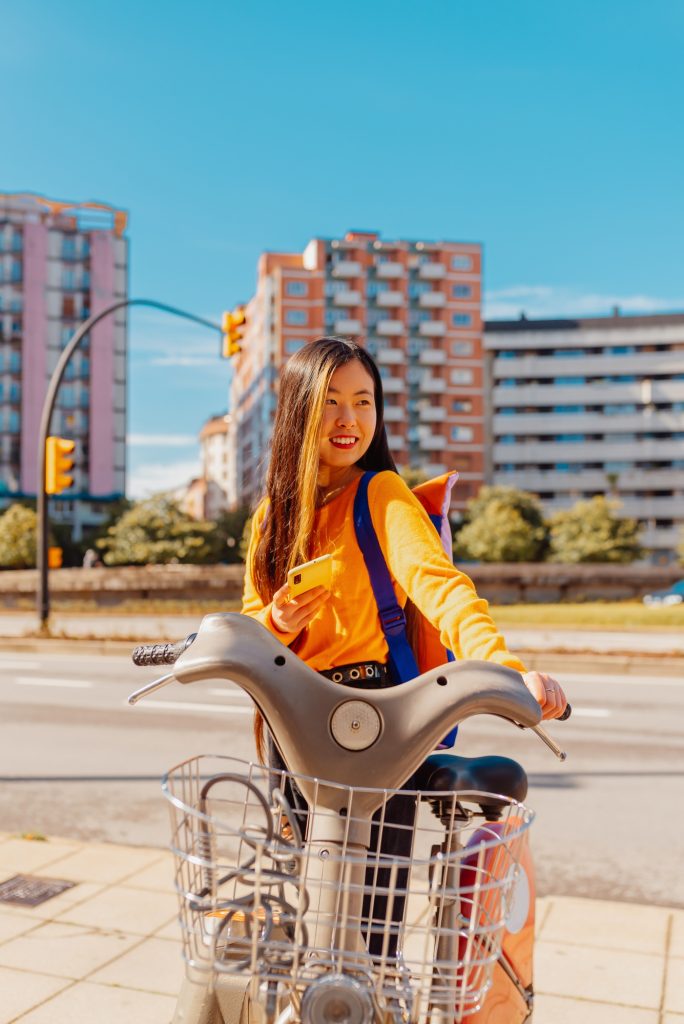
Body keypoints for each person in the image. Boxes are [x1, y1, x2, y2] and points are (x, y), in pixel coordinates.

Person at [241, 336, 567, 949]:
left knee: (370, 928)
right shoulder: (270, 519)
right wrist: (278, 620)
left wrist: (506, 668)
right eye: (331, 401)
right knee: (306, 915)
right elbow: (249, 630)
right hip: (292, 722)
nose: (349, 419)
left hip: (376, 720)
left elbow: (441, 587)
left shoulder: (381, 493)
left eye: (363, 402)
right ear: (298, 410)